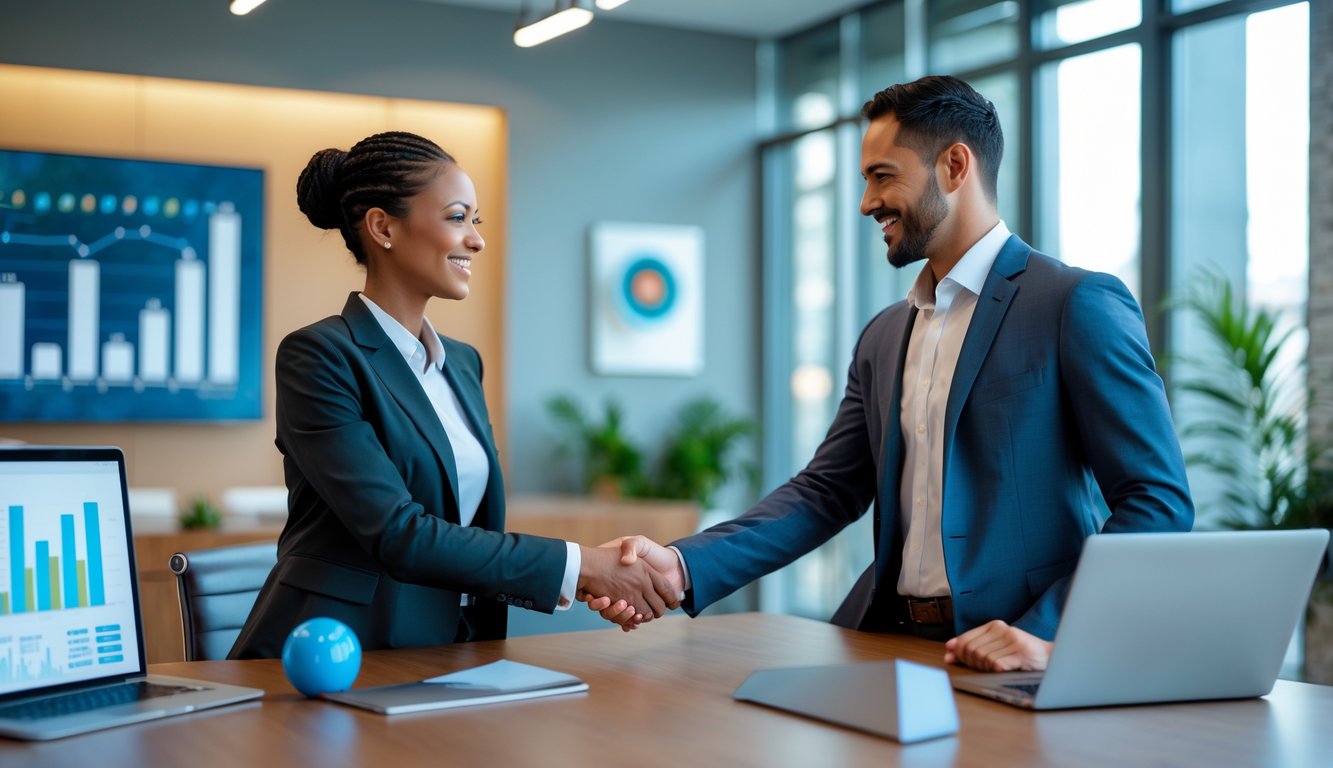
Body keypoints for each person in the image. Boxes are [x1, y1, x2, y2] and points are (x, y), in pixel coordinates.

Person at [584, 76, 1193, 672]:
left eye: (882, 176)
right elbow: (827, 491)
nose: (866, 202)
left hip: (1015, 655)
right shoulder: (884, 333)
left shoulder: (1075, 303)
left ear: (955, 166)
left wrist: (1046, 635)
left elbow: (1156, 501)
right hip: (884, 643)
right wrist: (680, 565)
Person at [231, 131, 677, 658]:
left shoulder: (463, 364)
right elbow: (400, 533)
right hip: (339, 652)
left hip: (455, 648)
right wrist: (579, 565)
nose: (477, 239)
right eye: (457, 217)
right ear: (383, 227)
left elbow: (467, 527)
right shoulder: (320, 356)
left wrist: (585, 576)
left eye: (476, 221)